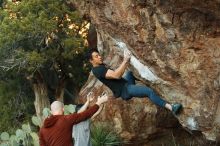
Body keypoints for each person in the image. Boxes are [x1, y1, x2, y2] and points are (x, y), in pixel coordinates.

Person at [87, 48, 182, 115]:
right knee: (148, 91)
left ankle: (148, 83)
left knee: (130, 73)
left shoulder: (99, 66)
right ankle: (171, 108)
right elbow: (116, 75)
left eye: (98, 55)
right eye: (96, 56)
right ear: (91, 60)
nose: (99, 57)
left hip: (126, 83)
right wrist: (125, 60)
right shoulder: (98, 70)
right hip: (126, 90)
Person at [39, 94, 108, 146]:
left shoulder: (42, 130)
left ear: (51, 112)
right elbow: (86, 114)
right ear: (63, 109)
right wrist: (99, 102)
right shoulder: (66, 119)